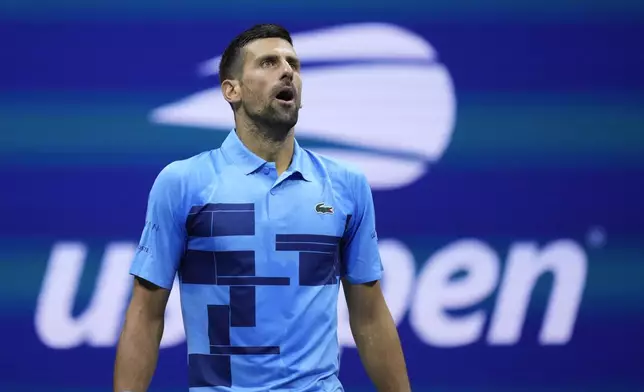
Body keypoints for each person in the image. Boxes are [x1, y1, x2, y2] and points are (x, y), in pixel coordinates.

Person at [113, 23, 410, 392]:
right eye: (268, 63)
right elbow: (145, 314)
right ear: (231, 90)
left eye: (294, 64)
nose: (287, 71)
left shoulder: (346, 185)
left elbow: (369, 317)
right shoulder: (183, 183)